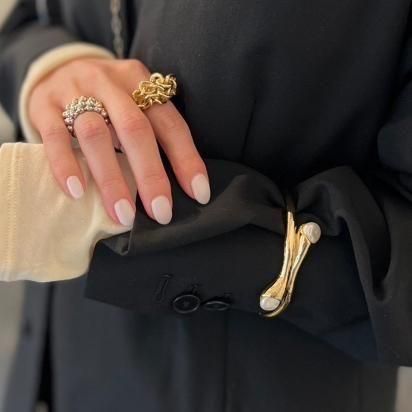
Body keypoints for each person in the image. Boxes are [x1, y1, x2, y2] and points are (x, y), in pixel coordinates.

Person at [1, 0, 412, 410]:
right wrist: (51, 66)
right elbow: (27, 22)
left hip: (257, 385)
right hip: (62, 358)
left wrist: (114, 216)